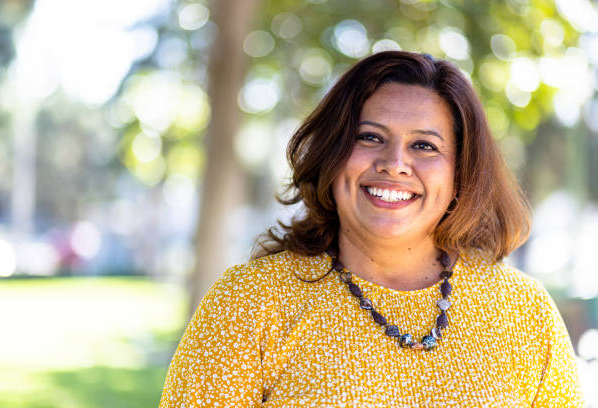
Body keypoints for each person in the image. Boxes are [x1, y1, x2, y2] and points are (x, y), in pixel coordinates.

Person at [159, 51, 585, 407]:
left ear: (461, 172)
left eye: (425, 145)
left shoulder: (525, 312)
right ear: (333, 152)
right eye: (369, 137)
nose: (394, 162)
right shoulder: (249, 302)